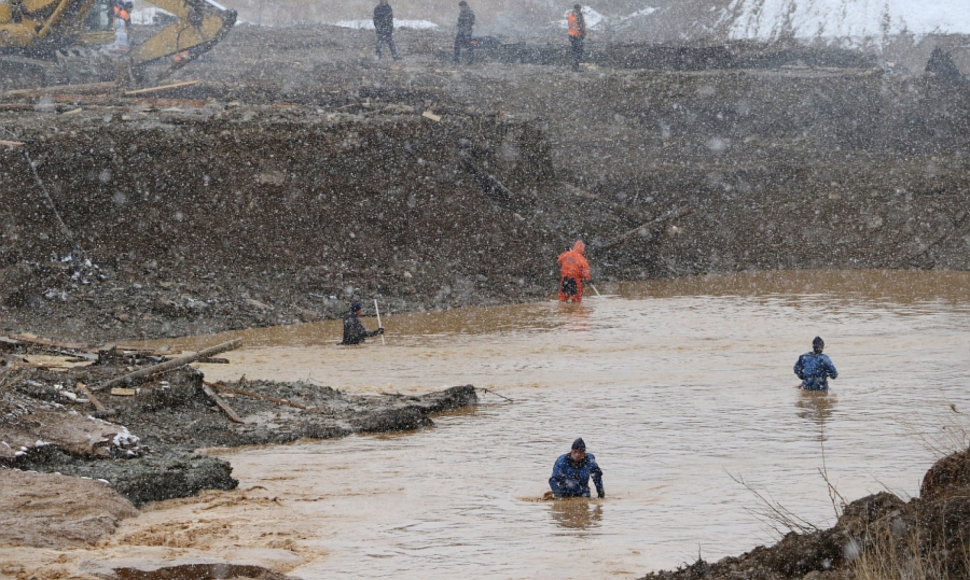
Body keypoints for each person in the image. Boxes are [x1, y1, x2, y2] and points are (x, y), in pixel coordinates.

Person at [453, 0, 475, 65]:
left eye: (462, 6)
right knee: (456, 45)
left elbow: (470, 22)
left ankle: (471, 61)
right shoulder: (461, 12)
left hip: (467, 32)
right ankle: (456, 60)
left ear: (465, 6)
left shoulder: (470, 12)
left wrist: (465, 31)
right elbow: (459, 22)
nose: (461, 8)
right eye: (460, 7)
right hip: (461, 31)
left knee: (469, 46)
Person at [567, 4, 586, 71]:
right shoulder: (578, 16)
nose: (580, 10)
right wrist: (583, 34)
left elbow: (570, 25)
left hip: (571, 35)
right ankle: (576, 67)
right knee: (578, 51)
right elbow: (581, 26)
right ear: (578, 9)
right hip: (577, 36)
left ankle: (574, 66)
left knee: (574, 51)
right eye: (579, 9)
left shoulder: (570, 15)